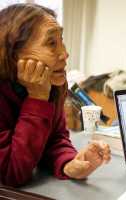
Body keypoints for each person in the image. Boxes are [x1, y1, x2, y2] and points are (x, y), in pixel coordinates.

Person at [0, 3, 111, 187]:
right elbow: (11, 173)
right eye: (51, 43)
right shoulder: (40, 89)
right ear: (13, 54)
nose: (65, 54)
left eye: (61, 40)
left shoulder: (50, 85)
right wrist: (37, 98)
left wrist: (70, 163)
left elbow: (55, 139)